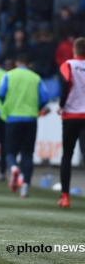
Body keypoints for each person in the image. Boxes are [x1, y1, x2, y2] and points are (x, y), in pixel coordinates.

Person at [0, 53, 49, 198]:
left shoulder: (9, 75)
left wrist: (8, 105)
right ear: (29, 64)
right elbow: (45, 97)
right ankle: (25, 187)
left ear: (16, 62)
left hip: (12, 118)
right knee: (27, 154)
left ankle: (14, 168)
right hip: (30, 119)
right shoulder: (36, 77)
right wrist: (36, 107)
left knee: (10, 152)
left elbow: (1, 93)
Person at [57, 37, 85, 208]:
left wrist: (61, 105)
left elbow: (66, 83)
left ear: (74, 50)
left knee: (67, 155)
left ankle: (65, 197)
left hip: (71, 115)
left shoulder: (68, 65)